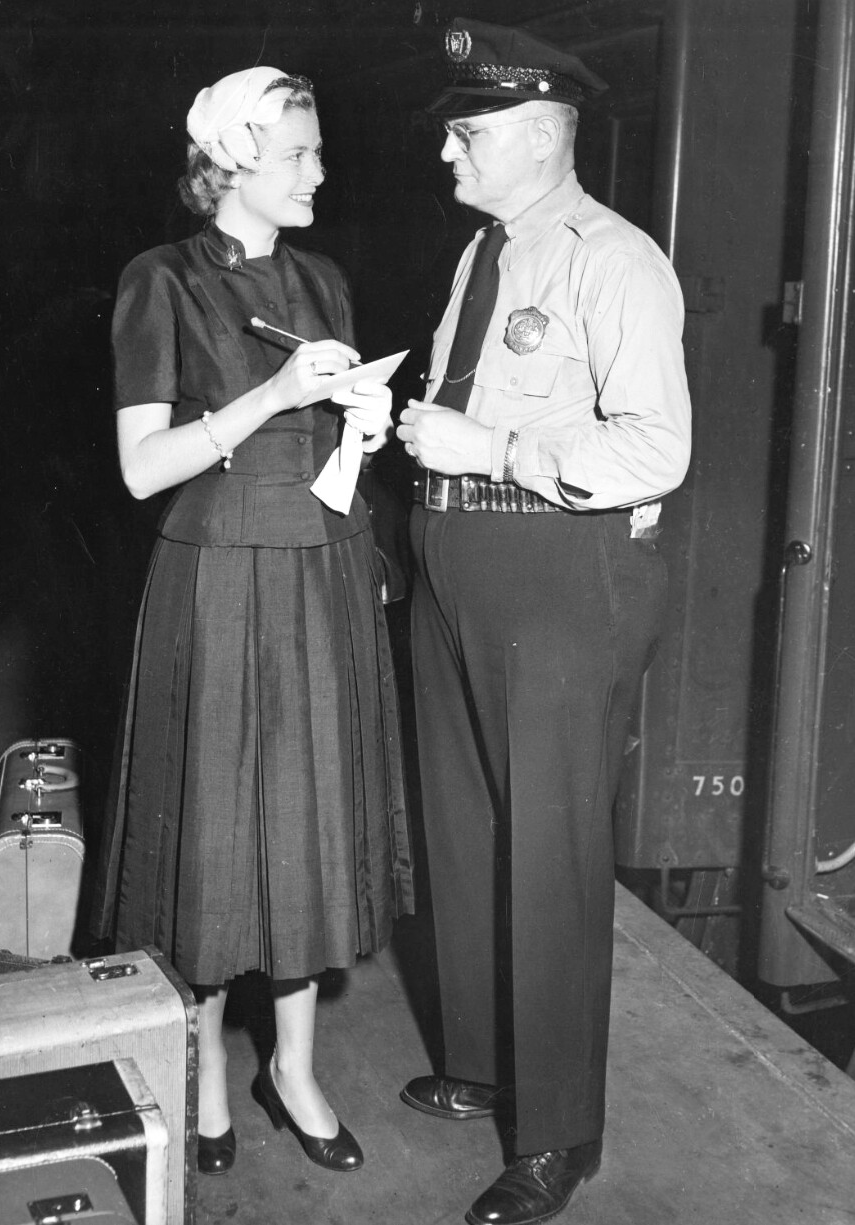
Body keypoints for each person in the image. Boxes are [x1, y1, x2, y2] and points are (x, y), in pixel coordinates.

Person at [91, 67, 413, 1180]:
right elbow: (143, 468)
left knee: (309, 819)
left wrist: (365, 421)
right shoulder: (160, 281)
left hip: (323, 568)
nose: (319, 172)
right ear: (230, 162)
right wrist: (272, 397)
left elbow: (332, 443)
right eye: (298, 155)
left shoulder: (323, 279)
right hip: (220, 572)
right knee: (216, 827)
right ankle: (211, 1077)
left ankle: (295, 1068)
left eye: (317, 152)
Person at [396, 18, 691, 1225]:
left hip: (557, 571)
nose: (447, 154)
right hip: (456, 554)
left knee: (551, 853)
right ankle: (484, 1059)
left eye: (467, 134)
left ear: (536, 133)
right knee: (462, 823)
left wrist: (493, 448)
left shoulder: (613, 261)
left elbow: (656, 449)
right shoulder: (485, 252)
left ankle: (559, 1129)